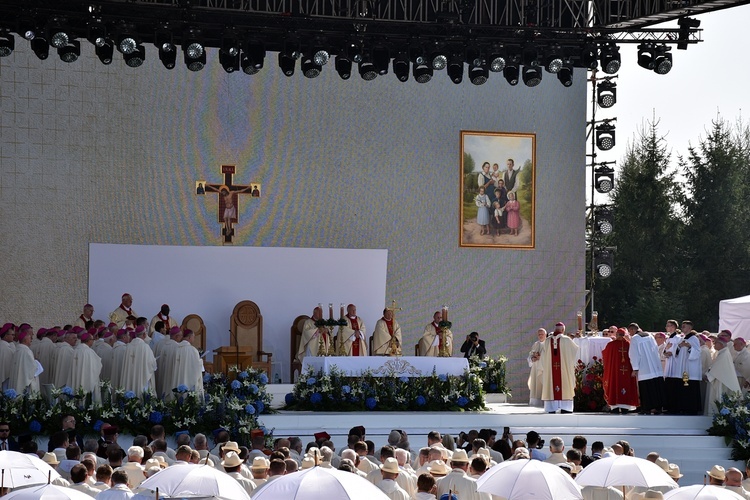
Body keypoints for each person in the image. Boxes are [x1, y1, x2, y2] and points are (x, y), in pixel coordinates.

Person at [627, 324, 666, 415]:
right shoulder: (650, 335)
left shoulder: (635, 338)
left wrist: (635, 368)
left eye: (629, 331)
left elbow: (633, 354)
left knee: (646, 388)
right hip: (655, 365)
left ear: (632, 330)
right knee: (656, 387)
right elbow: (656, 348)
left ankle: (646, 408)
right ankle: (658, 407)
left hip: (644, 367)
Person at [540, 322, 579, 413]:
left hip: (551, 371)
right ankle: (566, 408)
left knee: (551, 385)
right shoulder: (567, 340)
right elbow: (576, 353)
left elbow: (542, 357)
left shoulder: (547, 340)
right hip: (564, 371)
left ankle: (551, 408)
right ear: (563, 330)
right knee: (565, 384)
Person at [601, 327, 639, 413]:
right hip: (627, 371)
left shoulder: (611, 345)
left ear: (617, 334)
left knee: (615, 384)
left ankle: (615, 406)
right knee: (626, 385)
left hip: (615, 372)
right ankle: (625, 406)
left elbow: (605, 355)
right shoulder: (629, 345)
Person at [704, 334, 741, 415]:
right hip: (720, 378)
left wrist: (708, 376)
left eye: (715, 343)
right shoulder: (722, 352)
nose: (714, 344)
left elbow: (717, 368)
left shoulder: (724, 354)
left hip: (720, 380)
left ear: (721, 344)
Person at [120, 327, 157, 396]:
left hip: (130, 376)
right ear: (144, 335)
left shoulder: (128, 346)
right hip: (141, 376)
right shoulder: (145, 347)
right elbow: (152, 364)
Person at [71, 332, 103, 403]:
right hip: (86, 379)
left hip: (76, 377)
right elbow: (97, 366)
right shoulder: (89, 351)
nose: (93, 341)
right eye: (92, 339)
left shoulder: (75, 350)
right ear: (88, 340)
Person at [9, 327, 40, 394]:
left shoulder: (17, 350)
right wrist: (37, 363)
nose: (31, 340)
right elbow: (32, 369)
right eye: (30, 338)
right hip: (24, 382)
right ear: (25, 340)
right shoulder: (27, 351)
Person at [527, 328, 547, 407]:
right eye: (539, 334)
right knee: (535, 385)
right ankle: (535, 403)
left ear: (545, 335)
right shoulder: (535, 344)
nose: (540, 336)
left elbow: (549, 357)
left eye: (542, 334)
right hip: (535, 368)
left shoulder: (548, 344)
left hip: (544, 369)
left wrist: (540, 358)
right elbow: (529, 356)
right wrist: (532, 359)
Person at [0, 324, 15, 390]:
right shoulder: (6, 349)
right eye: (12, 335)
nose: (13, 337)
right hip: (5, 379)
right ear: (6, 336)